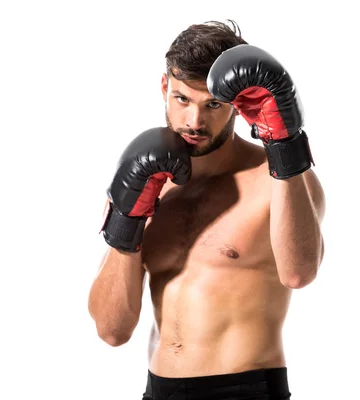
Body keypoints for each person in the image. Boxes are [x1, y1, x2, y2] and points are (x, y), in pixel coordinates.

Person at [88, 19, 325, 400]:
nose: (194, 121)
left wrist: (285, 146)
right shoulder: (144, 182)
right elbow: (112, 330)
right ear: (165, 87)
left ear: (238, 102)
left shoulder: (276, 179)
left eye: (213, 105)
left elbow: (299, 273)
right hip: (158, 390)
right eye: (182, 99)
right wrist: (126, 221)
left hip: (244, 390)